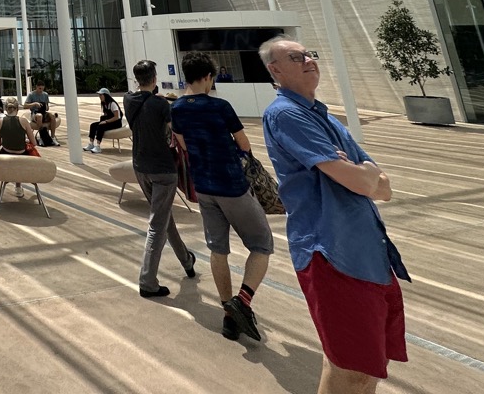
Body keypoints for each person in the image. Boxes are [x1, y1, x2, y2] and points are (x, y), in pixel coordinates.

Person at [261, 37, 409, 393]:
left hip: (368, 251)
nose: (309, 59)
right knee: (352, 368)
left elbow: (383, 187)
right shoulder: (285, 114)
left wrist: (363, 173)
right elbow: (362, 181)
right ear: (275, 71)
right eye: (296, 57)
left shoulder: (323, 115)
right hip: (332, 253)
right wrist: (363, 173)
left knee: (367, 363)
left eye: (310, 53)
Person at [171, 51, 273, 342]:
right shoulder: (220, 106)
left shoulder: (177, 108)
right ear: (206, 77)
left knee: (219, 250)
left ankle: (229, 315)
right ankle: (242, 301)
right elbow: (244, 143)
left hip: (203, 186)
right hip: (232, 185)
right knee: (262, 244)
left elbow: (183, 144)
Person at [124, 60, 197, 298]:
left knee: (164, 217)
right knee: (157, 225)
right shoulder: (161, 104)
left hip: (140, 167)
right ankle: (147, 280)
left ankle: (186, 260)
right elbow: (174, 132)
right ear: (154, 78)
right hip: (163, 169)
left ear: (137, 79)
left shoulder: (128, 100)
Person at [0, 98, 36, 197]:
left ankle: (7, 182)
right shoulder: (24, 121)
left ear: (5, 109)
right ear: (17, 109)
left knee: (7, 150)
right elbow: (34, 142)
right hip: (21, 157)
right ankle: (18, 187)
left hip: (5, 156)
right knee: (23, 152)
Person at [85, 87, 125, 153]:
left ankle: (98, 146)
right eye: (99, 95)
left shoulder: (112, 104)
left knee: (101, 126)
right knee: (93, 125)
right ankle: (91, 144)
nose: (100, 97)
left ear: (105, 96)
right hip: (110, 121)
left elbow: (116, 117)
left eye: (101, 95)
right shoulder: (104, 104)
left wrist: (106, 121)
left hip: (116, 123)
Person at [25, 80, 60, 146]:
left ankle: (52, 137)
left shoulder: (45, 94)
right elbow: (25, 105)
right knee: (39, 116)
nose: (41, 90)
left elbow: (47, 107)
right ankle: (42, 137)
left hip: (44, 112)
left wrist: (46, 106)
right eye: (39, 88)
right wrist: (34, 104)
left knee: (52, 116)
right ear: (36, 87)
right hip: (35, 113)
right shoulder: (31, 95)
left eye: (42, 89)